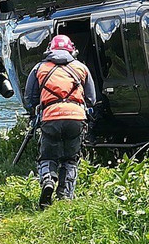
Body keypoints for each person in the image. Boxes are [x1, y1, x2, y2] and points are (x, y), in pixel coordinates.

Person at [24, 34, 96, 209]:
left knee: (47, 156)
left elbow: (29, 98)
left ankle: (48, 179)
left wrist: (35, 113)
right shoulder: (81, 68)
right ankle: (65, 196)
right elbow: (91, 98)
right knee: (70, 158)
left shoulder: (39, 68)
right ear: (71, 49)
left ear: (50, 49)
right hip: (76, 117)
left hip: (50, 117)